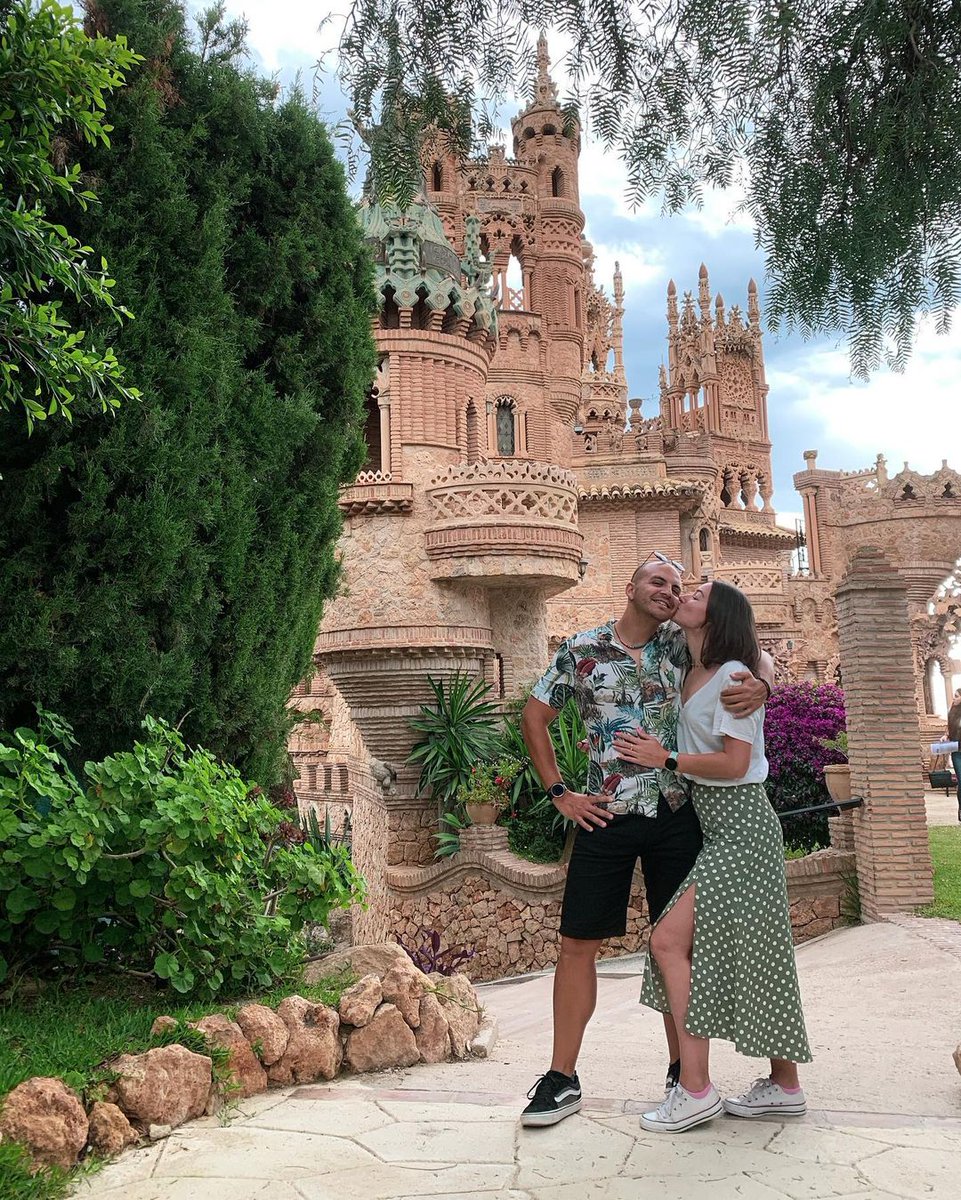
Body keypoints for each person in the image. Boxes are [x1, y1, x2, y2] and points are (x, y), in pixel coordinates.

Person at [518, 553, 772, 1128]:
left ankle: (686, 1075)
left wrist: (763, 682)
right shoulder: (581, 650)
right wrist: (560, 792)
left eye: (678, 586)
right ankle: (561, 1078)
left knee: (676, 946)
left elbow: (751, 652)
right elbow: (535, 717)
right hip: (602, 816)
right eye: (658, 582)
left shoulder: (681, 648)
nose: (669, 592)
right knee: (577, 943)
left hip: (676, 814)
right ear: (629, 587)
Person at [614, 580, 811, 1134]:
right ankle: (785, 1084)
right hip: (719, 829)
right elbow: (762, 658)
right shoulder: (690, 664)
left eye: (698, 593)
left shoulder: (732, 677)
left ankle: (696, 1088)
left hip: (743, 826)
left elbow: (733, 764)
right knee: (759, 949)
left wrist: (665, 757)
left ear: (716, 616)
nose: (686, 594)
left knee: (668, 941)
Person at [948, 687, 961, 821]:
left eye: (957, 696)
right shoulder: (952, 713)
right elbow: (950, 730)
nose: (954, 699)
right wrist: (945, 736)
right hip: (957, 751)